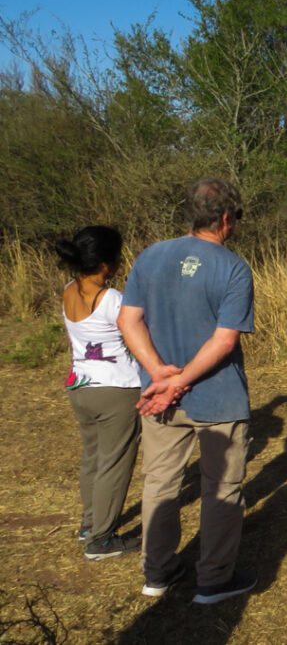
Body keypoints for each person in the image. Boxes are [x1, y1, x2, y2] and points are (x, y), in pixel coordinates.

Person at [118, 178, 257, 604]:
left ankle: (156, 572)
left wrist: (158, 372)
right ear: (227, 218)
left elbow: (129, 320)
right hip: (218, 397)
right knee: (222, 485)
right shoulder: (233, 267)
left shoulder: (151, 255)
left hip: (159, 396)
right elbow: (224, 341)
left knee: (159, 481)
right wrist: (176, 380)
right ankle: (214, 579)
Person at [57, 226, 142, 560]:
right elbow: (139, 333)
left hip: (81, 386)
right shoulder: (113, 300)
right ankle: (101, 539)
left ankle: (89, 524)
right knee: (114, 463)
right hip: (115, 389)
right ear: (107, 263)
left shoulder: (68, 291)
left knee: (92, 458)